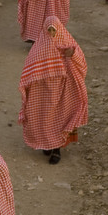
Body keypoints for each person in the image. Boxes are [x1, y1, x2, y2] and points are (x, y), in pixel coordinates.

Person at [18, 16, 88, 164]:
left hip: (65, 92)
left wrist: (72, 55)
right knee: (44, 117)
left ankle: (57, 150)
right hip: (43, 92)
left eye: (53, 30)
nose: (51, 33)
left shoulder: (68, 44)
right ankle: (46, 143)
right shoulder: (39, 48)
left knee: (61, 118)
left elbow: (81, 64)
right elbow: (29, 71)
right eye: (49, 30)